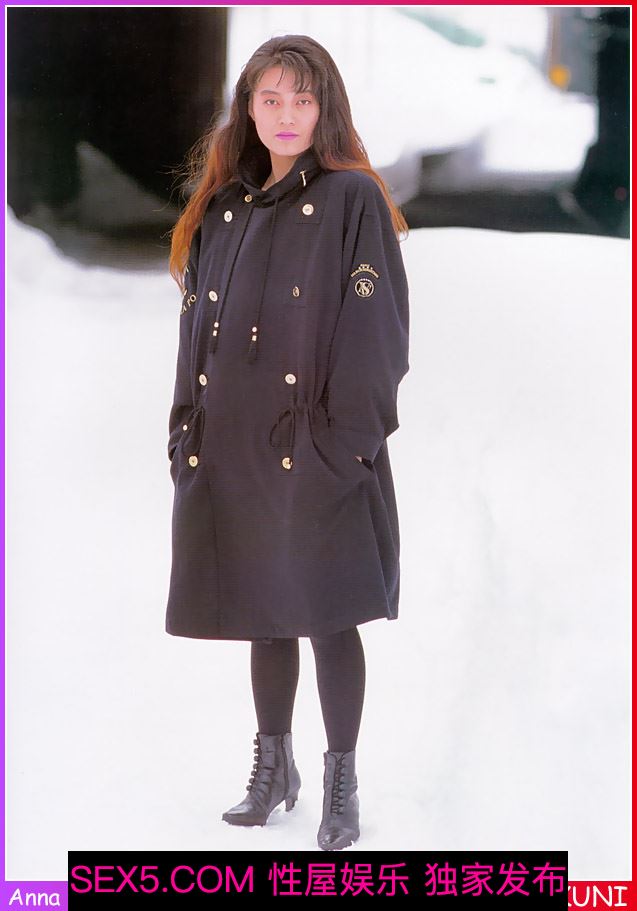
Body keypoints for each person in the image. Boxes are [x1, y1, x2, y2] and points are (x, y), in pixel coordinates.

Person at [166, 34, 410, 851]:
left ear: (324, 108)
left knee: (329, 614)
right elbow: (194, 331)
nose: (285, 114)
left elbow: (378, 336)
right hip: (231, 442)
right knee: (264, 613)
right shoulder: (224, 206)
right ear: (247, 108)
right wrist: (185, 429)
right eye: (269, 98)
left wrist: (345, 446)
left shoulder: (351, 199)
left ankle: (341, 781)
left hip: (319, 446)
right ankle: (274, 769)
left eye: (301, 99)